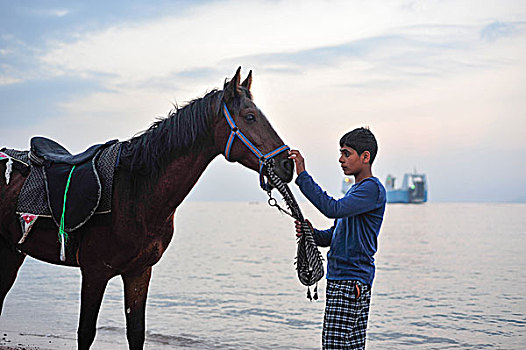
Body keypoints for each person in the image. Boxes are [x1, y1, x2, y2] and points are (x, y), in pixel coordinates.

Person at [288, 127, 386, 350]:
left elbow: (332, 208)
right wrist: (311, 234)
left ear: (365, 157)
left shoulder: (371, 189)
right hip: (345, 281)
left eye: (346, 153)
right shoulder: (356, 191)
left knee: (334, 347)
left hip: (350, 283)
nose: (340, 159)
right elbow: (335, 235)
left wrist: (302, 175)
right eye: (340, 153)